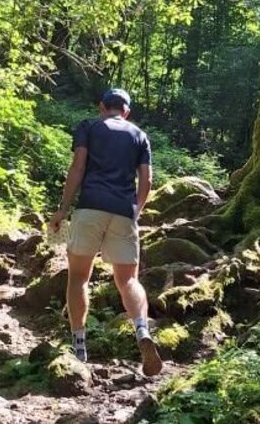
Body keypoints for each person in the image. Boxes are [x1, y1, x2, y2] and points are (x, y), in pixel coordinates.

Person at [48, 88, 162, 376]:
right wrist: (135, 211)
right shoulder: (139, 136)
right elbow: (146, 181)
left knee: (78, 277)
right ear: (126, 111)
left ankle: (79, 345)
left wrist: (63, 209)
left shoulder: (89, 127)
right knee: (127, 280)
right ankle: (141, 330)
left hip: (90, 208)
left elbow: (77, 167)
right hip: (123, 211)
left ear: (102, 106)